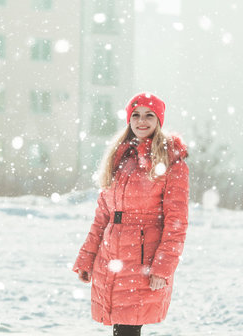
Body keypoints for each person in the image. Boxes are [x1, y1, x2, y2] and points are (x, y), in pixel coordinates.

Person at [73, 93, 189, 336]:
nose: (141, 121)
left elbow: (176, 222)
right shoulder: (120, 157)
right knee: (121, 326)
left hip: (142, 260)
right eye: (135, 115)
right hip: (110, 256)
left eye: (149, 115)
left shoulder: (171, 162)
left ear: (159, 120)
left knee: (127, 328)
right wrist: (87, 258)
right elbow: (103, 216)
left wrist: (162, 268)